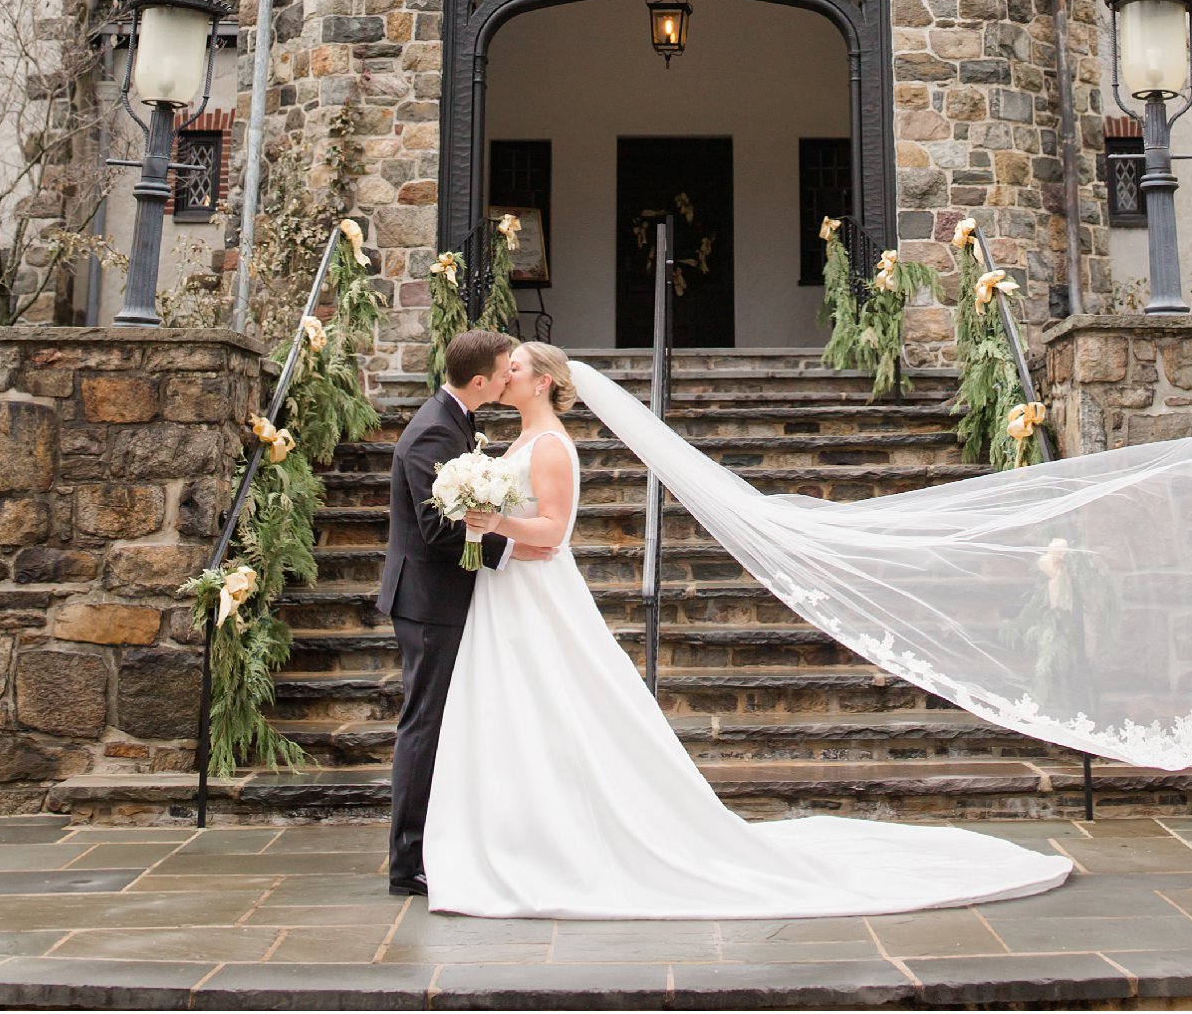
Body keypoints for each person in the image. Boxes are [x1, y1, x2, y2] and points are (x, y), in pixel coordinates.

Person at [419, 342, 1072, 916]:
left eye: (516, 366)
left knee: (564, 713)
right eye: (505, 367)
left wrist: (490, 523)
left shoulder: (552, 445)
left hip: (537, 595)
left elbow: (552, 535)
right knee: (526, 718)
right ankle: (525, 834)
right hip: (510, 596)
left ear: (542, 380)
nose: (504, 373)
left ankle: (565, 840)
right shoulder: (517, 441)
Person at [378, 328, 556, 896]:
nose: (510, 377)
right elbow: (435, 530)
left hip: (439, 598)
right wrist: (511, 548)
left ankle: (440, 842)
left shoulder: (453, 420)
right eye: (505, 370)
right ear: (480, 381)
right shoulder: (435, 431)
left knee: (438, 723)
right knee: (423, 724)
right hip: (429, 603)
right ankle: (408, 865)